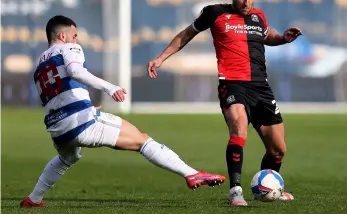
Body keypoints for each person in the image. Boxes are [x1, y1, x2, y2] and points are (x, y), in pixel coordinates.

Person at [20, 15, 226, 208]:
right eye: (74, 36)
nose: (76, 40)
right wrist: (110, 88)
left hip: (57, 127)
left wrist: (85, 106)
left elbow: (58, 94)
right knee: (143, 140)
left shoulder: (39, 65)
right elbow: (76, 72)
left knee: (68, 158)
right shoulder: (70, 48)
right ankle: (191, 174)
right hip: (80, 121)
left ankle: (33, 199)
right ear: (63, 36)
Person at [147, 0, 302, 206]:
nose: (246, 2)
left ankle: (270, 187)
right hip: (232, 83)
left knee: (278, 150)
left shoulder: (258, 16)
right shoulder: (214, 13)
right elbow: (186, 35)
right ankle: (235, 191)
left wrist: (283, 38)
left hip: (261, 87)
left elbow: (266, 36)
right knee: (239, 129)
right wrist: (161, 58)